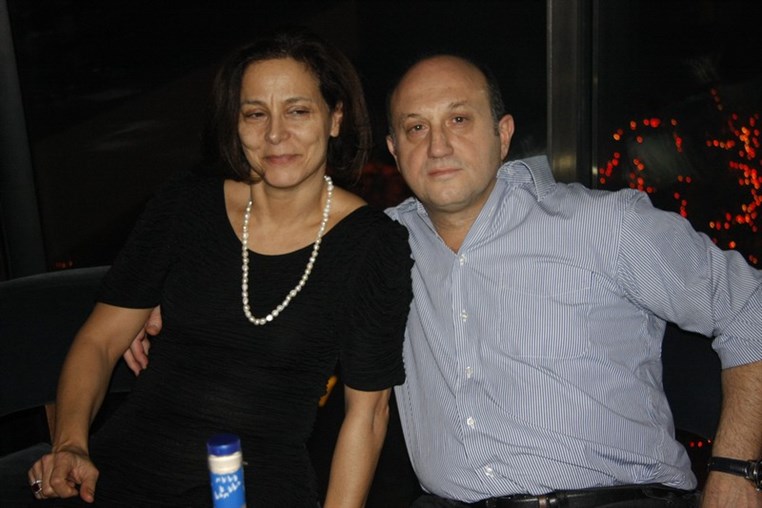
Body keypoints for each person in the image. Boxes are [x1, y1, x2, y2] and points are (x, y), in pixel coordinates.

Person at [124, 54, 762, 508]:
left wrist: (737, 470)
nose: (437, 146)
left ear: (503, 135)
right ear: (395, 152)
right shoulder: (376, 248)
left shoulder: (605, 224)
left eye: (459, 120)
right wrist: (169, 303)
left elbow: (749, 305)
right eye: (416, 128)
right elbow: (272, 285)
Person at [21, 29, 413, 507]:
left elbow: (367, 414)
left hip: (257, 485)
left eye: (297, 111)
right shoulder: (186, 205)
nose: (275, 134)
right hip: (127, 466)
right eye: (255, 114)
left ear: (335, 118)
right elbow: (100, 341)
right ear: (235, 123)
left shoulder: (373, 244)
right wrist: (70, 445)